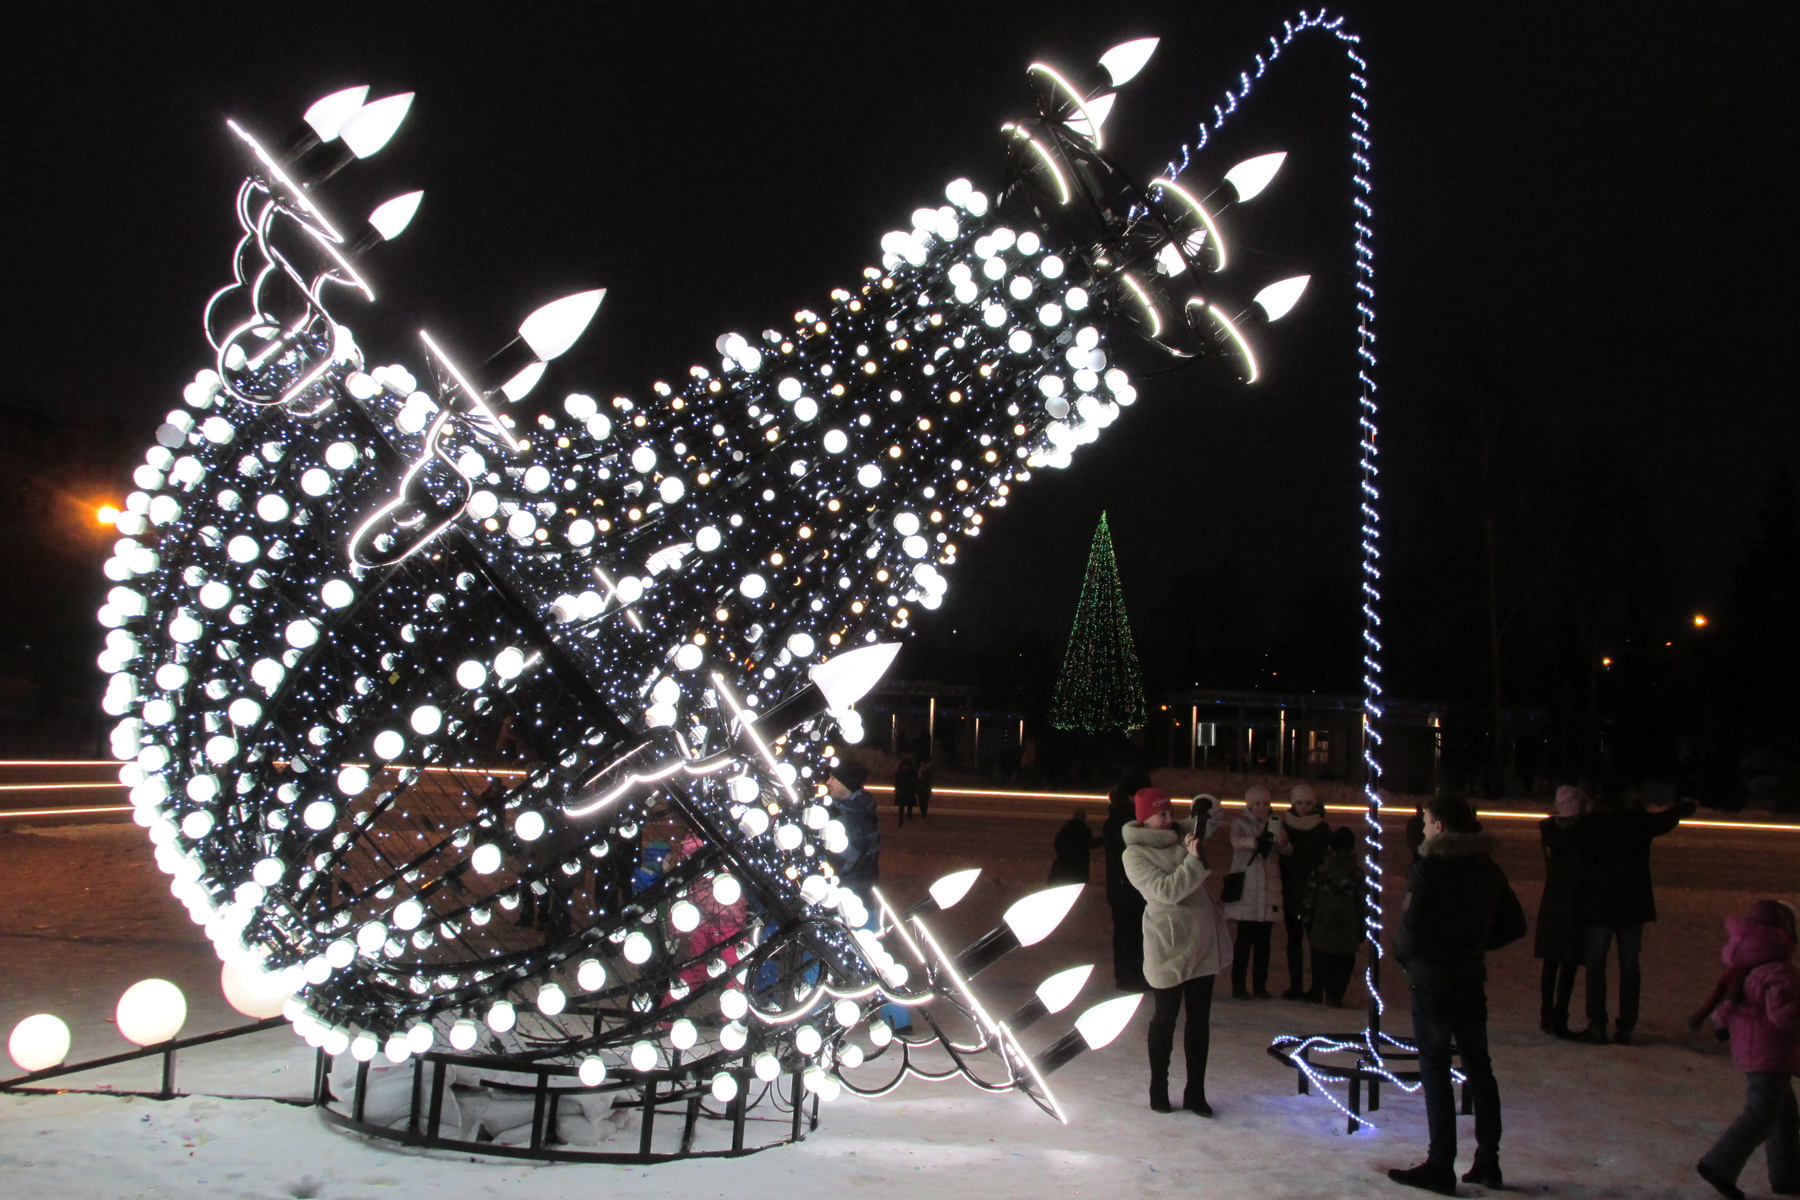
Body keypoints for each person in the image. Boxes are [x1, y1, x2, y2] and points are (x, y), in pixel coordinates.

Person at [1388, 794, 1526, 1195]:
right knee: (1479, 1067)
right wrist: (1475, 943)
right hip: (1468, 979)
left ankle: (1440, 1163)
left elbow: (1410, 929)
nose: (1423, 829)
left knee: (1435, 1069)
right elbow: (1513, 924)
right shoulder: (1487, 869)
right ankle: (1488, 1161)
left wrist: (1404, 954)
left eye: (1426, 822)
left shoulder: (1428, 870)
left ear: (1440, 827)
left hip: (1432, 980)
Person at [1122, 787, 1232, 1116]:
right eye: (1162, 814)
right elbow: (1167, 892)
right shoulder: (1135, 854)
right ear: (1145, 819)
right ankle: (1159, 1087)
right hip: (1168, 948)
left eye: (1171, 812)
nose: (1170, 819)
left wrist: (1202, 804)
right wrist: (1194, 861)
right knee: (1164, 1020)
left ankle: (1195, 1092)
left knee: (1199, 1022)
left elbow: (1213, 817)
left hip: (1202, 945)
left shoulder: (1181, 832)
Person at [1691, 899, 1800, 1200]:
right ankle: (1718, 1165)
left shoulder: (1744, 966)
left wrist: (1722, 1026)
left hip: (1753, 1051)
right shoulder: (1779, 972)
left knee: (1784, 1116)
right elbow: (1784, 1016)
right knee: (1762, 1115)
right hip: (1770, 1054)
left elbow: (1726, 1007)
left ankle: (1788, 1176)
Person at [1570, 791, 1698, 1045]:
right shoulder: (1638, 822)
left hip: (1599, 903)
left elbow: (1573, 854)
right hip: (1632, 903)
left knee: (1596, 965)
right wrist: (1682, 808)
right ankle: (1626, 1026)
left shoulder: (1591, 824)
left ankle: (1597, 1024)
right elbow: (1664, 820)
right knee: (1629, 966)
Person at [1224, 784, 1288, 999]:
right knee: (1244, 942)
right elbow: (1236, 841)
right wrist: (1255, 842)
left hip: (1268, 891)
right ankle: (1239, 986)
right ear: (1249, 805)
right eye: (1257, 803)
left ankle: (1260, 985)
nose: (1262, 807)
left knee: (1263, 944)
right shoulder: (1241, 822)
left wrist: (1281, 841)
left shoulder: (1275, 823)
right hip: (1248, 892)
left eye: (1266, 803)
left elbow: (1286, 849)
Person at [1535, 785, 1587, 1037]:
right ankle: (1560, 1015)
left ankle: (1547, 1014)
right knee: (1568, 962)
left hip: (1552, 899)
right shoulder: (1582, 834)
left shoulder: (1549, 832)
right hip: (1575, 901)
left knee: (1551, 961)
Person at [1279, 783, 1332, 999]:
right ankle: (1296, 985)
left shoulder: (1321, 828)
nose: (1304, 807)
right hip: (1292, 889)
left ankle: (1316, 987)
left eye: (1308, 803)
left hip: (1312, 891)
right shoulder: (1285, 826)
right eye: (1299, 803)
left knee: (1314, 941)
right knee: (1294, 939)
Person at [1103, 769, 1153, 990]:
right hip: (1127, 885)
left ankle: (1129, 975)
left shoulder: (1118, 818)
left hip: (1123, 885)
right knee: (1131, 932)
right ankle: (1129, 976)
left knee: (1129, 932)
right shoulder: (1125, 822)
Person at [1304, 826, 1365, 1007]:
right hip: (1347, 925)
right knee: (1344, 961)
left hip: (1322, 923)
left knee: (1320, 957)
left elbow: (1309, 898)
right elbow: (1362, 902)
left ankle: (1317, 989)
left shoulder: (1321, 871)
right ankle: (1335, 995)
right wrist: (1362, 926)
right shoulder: (1356, 874)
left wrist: (1307, 920)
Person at [826, 760, 879, 900]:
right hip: (857, 890)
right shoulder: (850, 810)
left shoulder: (854, 819)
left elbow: (843, 863)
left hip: (849, 895)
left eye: (833, 778)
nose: (828, 782)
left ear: (847, 783)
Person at [1048, 808, 1102, 885]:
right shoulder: (1083, 829)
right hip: (1079, 865)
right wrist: (1104, 839)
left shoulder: (1066, 829)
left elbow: (1058, 844)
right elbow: (1091, 843)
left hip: (1065, 863)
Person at [893, 753, 919, 826]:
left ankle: (908, 815)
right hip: (903, 791)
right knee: (902, 806)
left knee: (908, 805)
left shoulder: (911, 773)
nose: (906, 767)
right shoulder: (900, 773)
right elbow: (897, 782)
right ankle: (901, 819)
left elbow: (915, 782)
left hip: (908, 791)